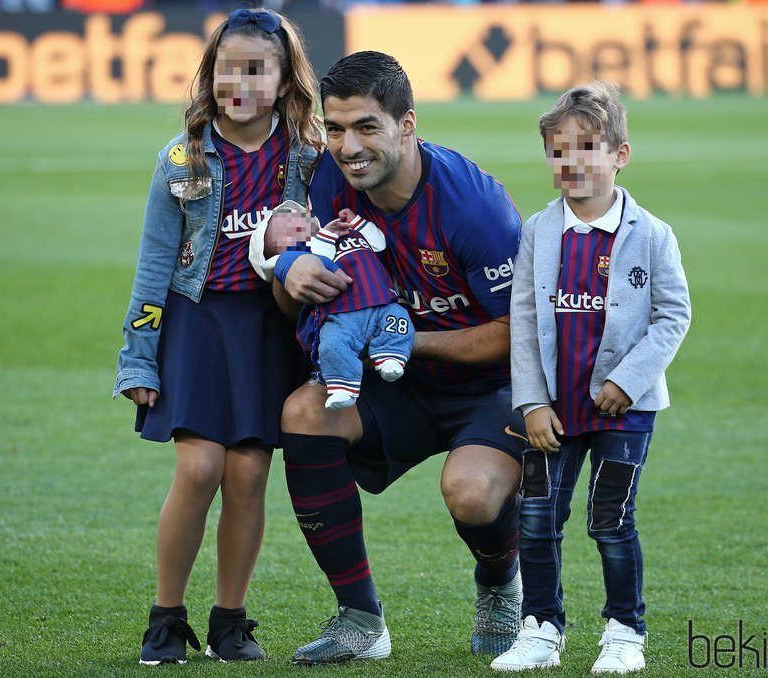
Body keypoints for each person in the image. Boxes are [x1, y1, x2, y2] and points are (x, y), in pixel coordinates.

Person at [269, 51, 528, 665]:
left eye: (366, 127)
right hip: (396, 385)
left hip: (492, 388)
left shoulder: (474, 207)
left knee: (469, 492)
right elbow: (295, 311)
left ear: (407, 124)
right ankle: (361, 621)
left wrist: (403, 341)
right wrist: (292, 277)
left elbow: (516, 333)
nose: (347, 146)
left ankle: (500, 582)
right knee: (304, 411)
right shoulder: (330, 186)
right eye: (334, 128)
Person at [111, 8, 322, 665]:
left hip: (266, 330)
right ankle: (165, 618)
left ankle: (231, 620)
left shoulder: (309, 159)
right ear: (211, 74)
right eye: (228, 67)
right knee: (199, 466)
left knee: (250, 473)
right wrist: (138, 357)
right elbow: (152, 269)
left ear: (285, 80)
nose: (240, 80)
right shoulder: (183, 158)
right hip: (198, 324)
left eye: (256, 69)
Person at [492, 81, 690, 674]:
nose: (572, 160)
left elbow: (673, 315)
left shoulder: (651, 234)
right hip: (552, 408)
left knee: (611, 519)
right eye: (558, 150)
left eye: (587, 146)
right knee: (537, 516)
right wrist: (530, 401)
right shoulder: (537, 231)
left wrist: (627, 382)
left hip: (624, 409)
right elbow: (523, 321)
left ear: (619, 154)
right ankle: (541, 628)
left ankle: (625, 630)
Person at [254, 202, 414, 409]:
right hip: (341, 318)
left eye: (295, 221)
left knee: (399, 319)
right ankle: (342, 387)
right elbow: (321, 260)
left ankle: (391, 357)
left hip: (382, 302)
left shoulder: (348, 234)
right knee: (331, 345)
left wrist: (356, 222)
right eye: (285, 234)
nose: (295, 228)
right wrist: (293, 258)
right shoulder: (307, 259)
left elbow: (379, 244)